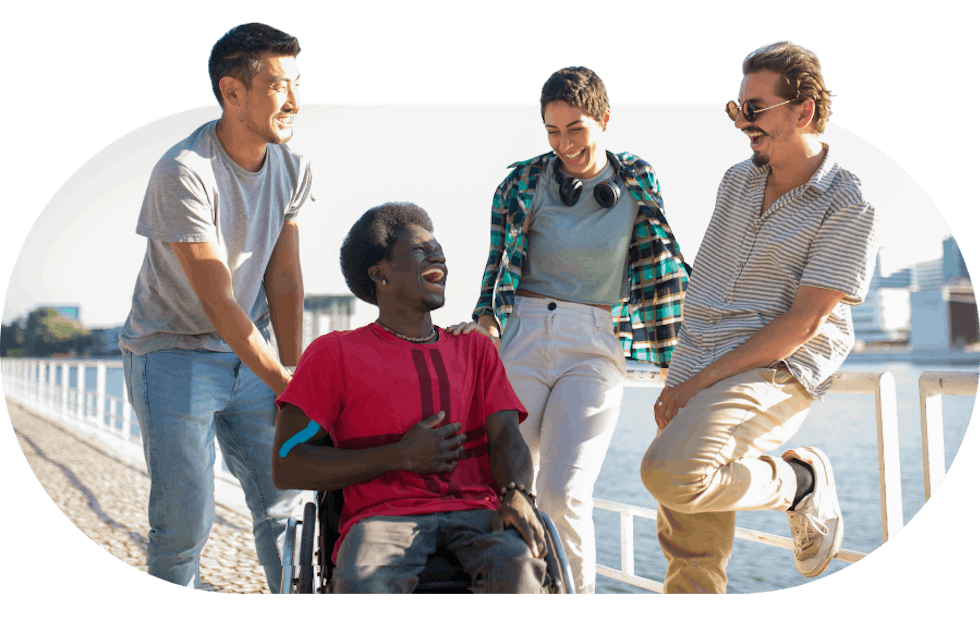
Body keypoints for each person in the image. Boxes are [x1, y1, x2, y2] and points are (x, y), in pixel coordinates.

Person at [639, 40, 879, 593]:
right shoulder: (735, 181)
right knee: (689, 547)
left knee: (671, 474)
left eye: (755, 109)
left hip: (777, 365)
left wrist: (698, 382)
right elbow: (711, 285)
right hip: (700, 354)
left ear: (804, 111)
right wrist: (682, 364)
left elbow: (803, 323)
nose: (742, 122)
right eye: (737, 108)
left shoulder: (847, 202)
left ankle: (798, 481)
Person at [461, 66, 689, 594]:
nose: (564, 144)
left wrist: (677, 362)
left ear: (605, 120)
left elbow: (664, 269)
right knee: (509, 489)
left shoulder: (638, 179)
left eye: (576, 129)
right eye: (552, 131)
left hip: (594, 342)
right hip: (523, 335)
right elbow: (497, 270)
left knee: (565, 495)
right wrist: (485, 325)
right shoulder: (521, 182)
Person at [118, 22, 311, 592]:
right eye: (279, 86)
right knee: (183, 522)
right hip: (171, 352)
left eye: (298, 83)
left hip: (250, 354)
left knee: (285, 507)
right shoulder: (183, 172)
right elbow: (218, 297)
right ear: (232, 93)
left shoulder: (293, 167)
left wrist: (293, 376)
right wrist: (281, 377)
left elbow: (285, 278)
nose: (296, 101)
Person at [272, 203, 548, 593]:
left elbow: (506, 437)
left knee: (521, 566)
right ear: (380, 274)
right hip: (381, 519)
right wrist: (398, 456)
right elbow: (287, 463)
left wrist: (519, 494)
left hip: (477, 512)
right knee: (361, 581)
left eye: (438, 248)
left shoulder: (474, 350)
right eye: (420, 250)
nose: (438, 256)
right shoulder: (334, 354)